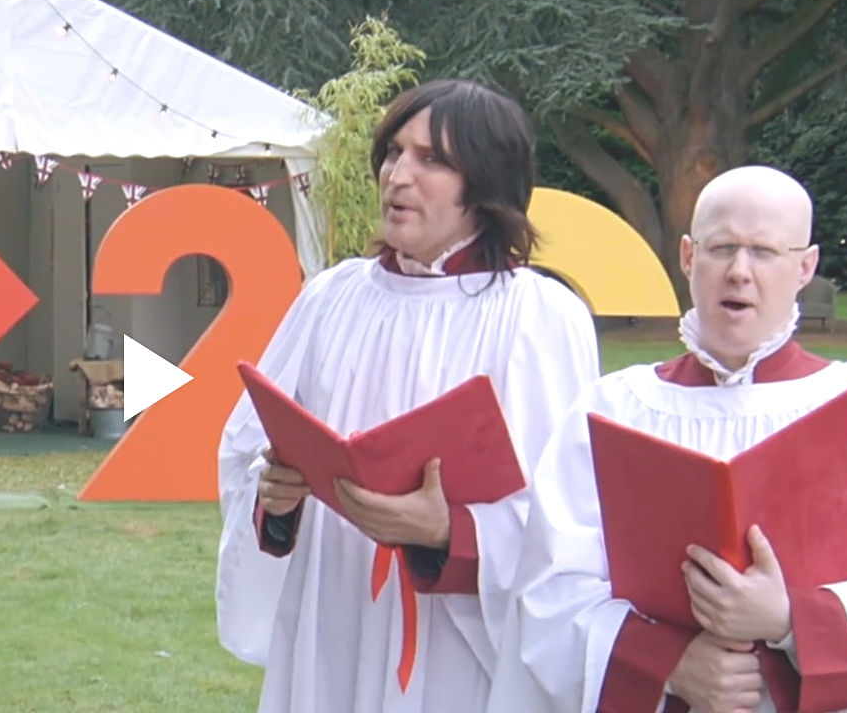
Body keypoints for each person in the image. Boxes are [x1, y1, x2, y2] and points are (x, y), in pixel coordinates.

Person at [485, 165, 847, 713]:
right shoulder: (610, 412)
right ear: (688, 256)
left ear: (805, 266)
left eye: (764, 252)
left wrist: (790, 619)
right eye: (722, 248)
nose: (739, 272)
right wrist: (670, 666)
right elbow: (550, 596)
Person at [213, 78, 603, 713]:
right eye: (394, 153)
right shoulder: (331, 298)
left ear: (486, 182)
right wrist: (275, 498)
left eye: (432, 160)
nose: (398, 176)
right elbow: (246, 450)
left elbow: (569, 518)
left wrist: (450, 531)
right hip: (331, 615)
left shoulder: (536, 316)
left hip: (457, 647)